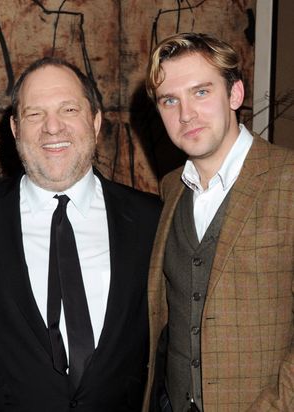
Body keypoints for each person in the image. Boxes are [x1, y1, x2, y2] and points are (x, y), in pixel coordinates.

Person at [0, 56, 162, 411]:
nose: (52, 127)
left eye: (69, 109)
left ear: (96, 121)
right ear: (14, 129)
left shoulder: (152, 219)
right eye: (34, 113)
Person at [142, 33, 294, 412]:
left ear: (235, 94)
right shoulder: (170, 188)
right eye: (170, 100)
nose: (186, 113)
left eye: (201, 92)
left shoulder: (288, 178)